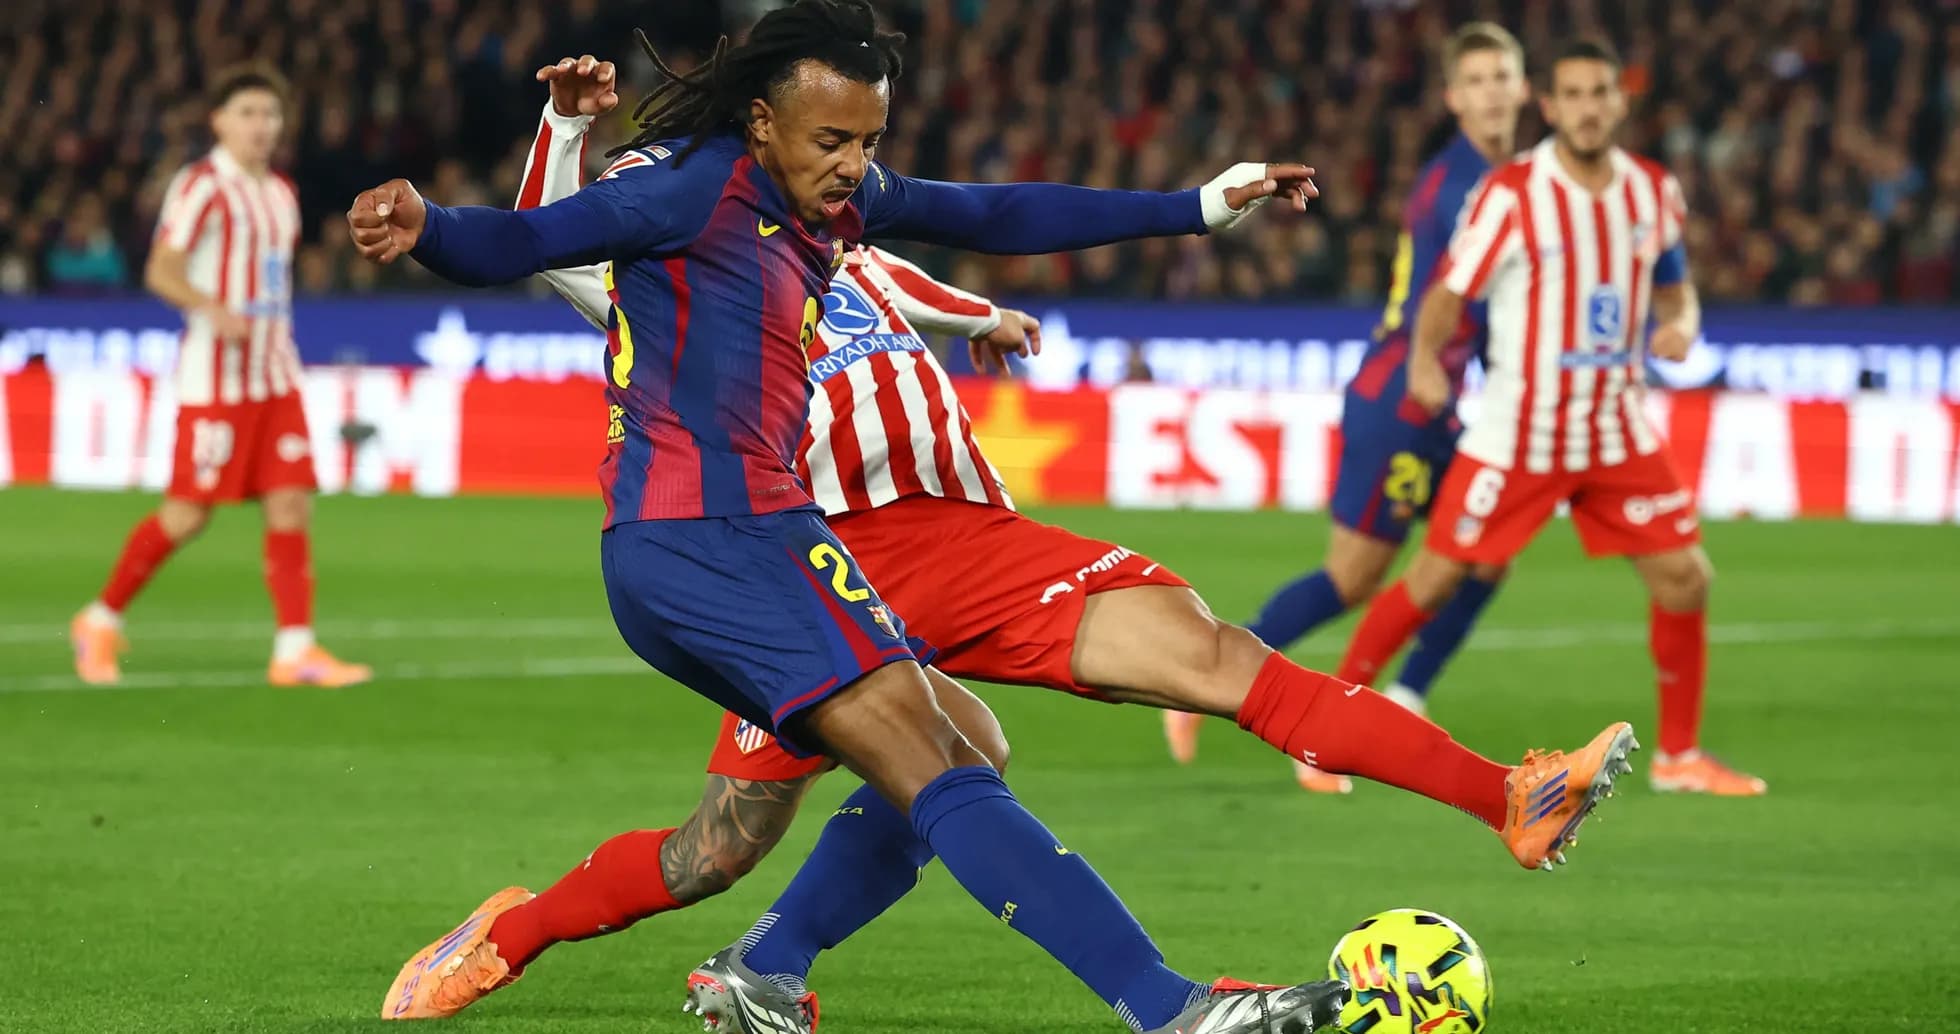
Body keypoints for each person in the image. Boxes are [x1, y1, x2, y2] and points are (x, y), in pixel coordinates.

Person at [374, 59, 1636, 1026]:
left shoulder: (837, 241)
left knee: (1198, 654)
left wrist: (1025, 300)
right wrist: (563, 138)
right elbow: (538, 238)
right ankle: (531, 928)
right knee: (721, 842)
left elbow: (984, 226)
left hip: (957, 539)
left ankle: (1502, 798)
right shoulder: (657, 250)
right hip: (807, 557)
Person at [1331, 37, 1766, 798]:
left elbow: (1675, 286)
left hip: (1614, 428)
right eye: (1574, 96)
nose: (1589, 109)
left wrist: (1682, 324)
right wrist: (1427, 362)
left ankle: (1679, 757)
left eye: (1602, 93)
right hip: (1517, 433)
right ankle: (1328, 732)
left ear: (1619, 101)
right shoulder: (1512, 193)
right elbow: (1446, 292)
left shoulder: (1651, 192)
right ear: (1551, 106)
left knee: (1685, 578)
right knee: (1435, 579)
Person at [1198, 23, 1532, 794]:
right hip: (1406, 398)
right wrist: (1437, 369)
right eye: (1474, 79)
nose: (1489, 92)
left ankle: (1403, 696)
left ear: (1522, 90)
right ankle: (1218, 670)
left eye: (1501, 77)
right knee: (1354, 577)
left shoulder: (1503, 176)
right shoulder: (1463, 186)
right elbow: (1449, 303)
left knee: (1484, 554)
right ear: (1453, 97)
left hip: (1439, 402)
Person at [69, 63, 369, 689]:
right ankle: (99, 618)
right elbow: (160, 269)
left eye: (271, 114)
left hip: (274, 375)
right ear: (219, 122)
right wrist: (212, 310)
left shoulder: (281, 193)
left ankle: (295, 650)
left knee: (291, 502)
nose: (263, 126)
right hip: (216, 381)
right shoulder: (202, 184)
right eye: (249, 113)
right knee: (187, 514)